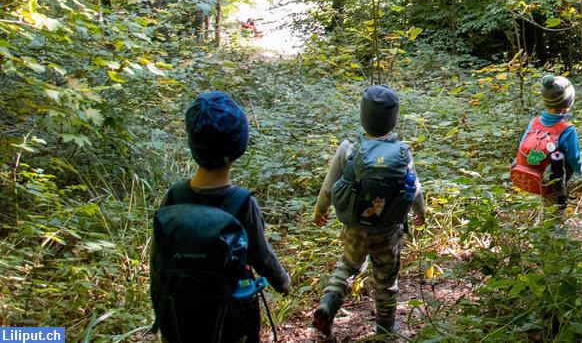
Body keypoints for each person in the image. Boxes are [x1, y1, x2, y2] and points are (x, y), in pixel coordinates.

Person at [150, 91, 291, 343]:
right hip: (231, 318)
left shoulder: (174, 196)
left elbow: (158, 264)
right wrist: (283, 282)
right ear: (239, 145)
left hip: (179, 317)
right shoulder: (243, 202)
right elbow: (262, 256)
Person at [312, 85, 427, 338]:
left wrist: (320, 210)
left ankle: (328, 303)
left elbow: (329, 187)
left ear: (363, 116)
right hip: (388, 231)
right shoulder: (402, 151)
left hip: (354, 227)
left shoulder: (348, 149)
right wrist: (421, 212)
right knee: (386, 280)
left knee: (349, 265)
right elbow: (415, 188)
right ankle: (385, 328)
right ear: (393, 120)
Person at [510, 75, 582, 211]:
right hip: (555, 181)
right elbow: (574, 157)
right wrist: (580, 171)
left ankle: (543, 225)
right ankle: (552, 229)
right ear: (567, 104)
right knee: (556, 210)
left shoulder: (534, 122)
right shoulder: (567, 129)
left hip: (536, 174)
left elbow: (522, 145)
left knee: (545, 203)